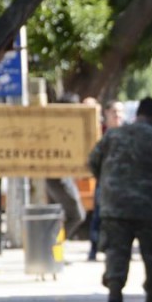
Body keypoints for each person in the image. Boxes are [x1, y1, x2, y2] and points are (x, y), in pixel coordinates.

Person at [89, 97, 152, 302]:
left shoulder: (113, 135)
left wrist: (109, 182)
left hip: (114, 206)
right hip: (149, 208)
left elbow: (92, 162)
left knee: (116, 250)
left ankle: (115, 292)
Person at [88, 99, 126, 261]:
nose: (117, 115)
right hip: (104, 181)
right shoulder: (99, 133)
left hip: (124, 182)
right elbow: (93, 160)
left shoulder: (128, 133)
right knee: (98, 216)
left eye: (120, 112)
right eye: (114, 112)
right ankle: (94, 249)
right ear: (106, 113)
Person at [46, 92, 86, 240]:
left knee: (58, 217)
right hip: (58, 177)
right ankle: (53, 246)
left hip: (59, 176)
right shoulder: (57, 127)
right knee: (77, 215)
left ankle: (53, 250)